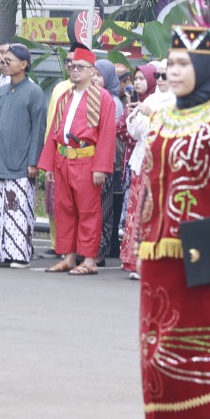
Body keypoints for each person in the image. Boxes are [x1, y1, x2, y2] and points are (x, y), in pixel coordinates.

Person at [119, 19, 210, 419]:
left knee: (191, 351)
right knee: (155, 351)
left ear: (205, 67)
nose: (172, 72)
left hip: (204, 254)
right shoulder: (161, 117)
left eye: (182, 64)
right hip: (158, 253)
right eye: (170, 64)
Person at [36, 46, 117, 275]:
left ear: (92, 71)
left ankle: (89, 260)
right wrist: (49, 164)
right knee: (65, 210)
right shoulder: (65, 96)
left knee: (89, 211)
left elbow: (107, 135)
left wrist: (100, 167)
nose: (74, 70)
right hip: (63, 159)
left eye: (81, 67)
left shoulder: (103, 98)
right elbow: (55, 131)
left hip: (86, 160)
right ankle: (69, 257)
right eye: (72, 66)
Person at [0, 43, 45, 268]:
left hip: (20, 163)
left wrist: (33, 161)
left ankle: (19, 255)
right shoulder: (1, 90)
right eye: (3, 61)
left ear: (24, 64)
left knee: (17, 210)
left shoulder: (34, 92)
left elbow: (38, 129)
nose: (4, 64)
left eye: (9, 61)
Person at [118, 62, 161, 278]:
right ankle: (135, 261)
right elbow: (134, 134)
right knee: (137, 212)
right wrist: (132, 112)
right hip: (142, 159)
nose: (161, 79)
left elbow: (171, 127)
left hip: (161, 163)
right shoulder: (151, 99)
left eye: (164, 75)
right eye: (158, 75)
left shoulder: (176, 101)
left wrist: (151, 113)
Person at [95, 57, 128, 264]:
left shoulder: (112, 101)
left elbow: (110, 134)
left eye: (99, 75)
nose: (95, 79)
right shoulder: (96, 97)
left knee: (109, 205)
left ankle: (107, 247)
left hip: (111, 160)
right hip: (103, 159)